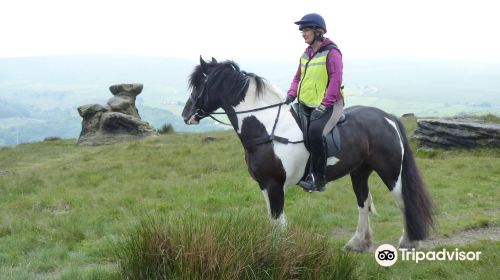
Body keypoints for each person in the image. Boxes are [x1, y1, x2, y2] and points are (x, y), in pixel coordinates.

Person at [286, 13, 344, 192]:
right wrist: (291, 94)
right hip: (305, 103)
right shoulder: (306, 54)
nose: (303, 33)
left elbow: (335, 80)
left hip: (330, 104)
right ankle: (302, 171)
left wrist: (324, 105)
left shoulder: (332, 53)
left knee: (315, 132)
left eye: (306, 30)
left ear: (318, 31)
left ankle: (318, 179)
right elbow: (298, 77)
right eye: (302, 30)